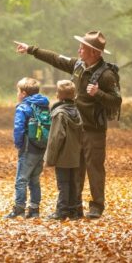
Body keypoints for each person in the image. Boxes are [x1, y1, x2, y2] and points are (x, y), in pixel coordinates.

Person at [14, 31, 121, 219]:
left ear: (95, 52)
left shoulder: (106, 75)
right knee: (75, 167)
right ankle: (75, 205)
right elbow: (56, 59)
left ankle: (96, 206)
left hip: (94, 130)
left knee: (94, 167)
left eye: (83, 47)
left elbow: (116, 101)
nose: (79, 49)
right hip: (75, 127)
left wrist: (98, 94)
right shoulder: (78, 65)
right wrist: (31, 49)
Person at [5, 77, 50, 219]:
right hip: (41, 147)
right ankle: (34, 209)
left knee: (21, 179)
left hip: (28, 148)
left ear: (23, 93)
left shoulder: (23, 107)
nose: (17, 94)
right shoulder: (44, 105)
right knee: (34, 180)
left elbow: (18, 128)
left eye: (18, 92)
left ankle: (19, 208)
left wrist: (18, 144)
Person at [44, 80, 84, 220]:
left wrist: (50, 159)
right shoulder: (77, 111)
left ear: (59, 95)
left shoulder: (59, 114)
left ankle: (61, 212)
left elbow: (56, 138)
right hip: (75, 154)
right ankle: (74, 211)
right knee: (74, 182)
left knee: (63, 184)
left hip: (62, 155)